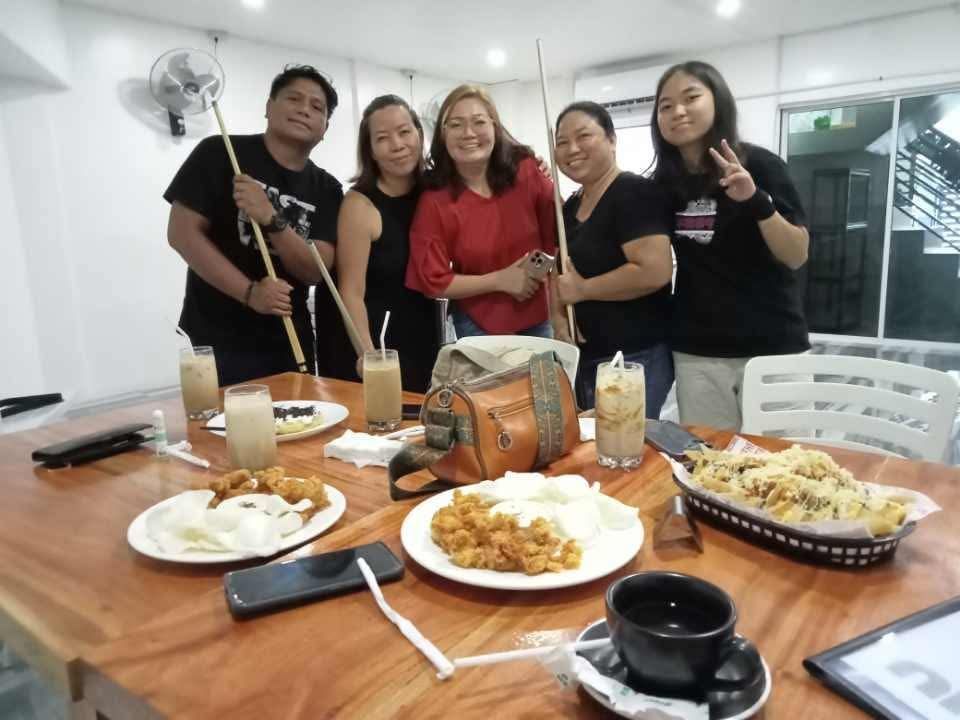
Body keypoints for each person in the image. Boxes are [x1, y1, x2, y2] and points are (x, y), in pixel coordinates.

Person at [652, 60, 810, 429]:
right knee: (710, 458)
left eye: (691, 97)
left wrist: (755, 200)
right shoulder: (663, 184)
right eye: (665, 105)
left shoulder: (761, 165)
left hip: (771, 346)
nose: (678, 111)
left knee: (785, 459)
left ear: (718, 101)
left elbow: (797, 254)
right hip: (698, 351)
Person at [165, 64, 346, 387]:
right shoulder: (220, 153)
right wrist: (249, 293)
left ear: (325, 128)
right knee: (224, 419)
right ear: (268, 107)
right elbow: (181, 233)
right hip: (217, 334)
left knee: (301, 416)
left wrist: (272, 219)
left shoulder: (327, 188)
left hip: (290, 339)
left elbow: (315, 270)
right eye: (294, 98)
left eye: (317, 107)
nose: (304, 110)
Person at [406, 84, 557, 338]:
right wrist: (501, 280)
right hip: (478, 324)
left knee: (542, 368)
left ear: (494, 127)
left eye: (478, 122)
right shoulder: (435, 201)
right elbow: (434, 281)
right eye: (455, 125)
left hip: (538, 315)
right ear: (442, 134)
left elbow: (560, 232)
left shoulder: (527, 172)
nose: (468, 133)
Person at [553, 101, 674, 414]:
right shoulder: (570, 206)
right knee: (593, 439)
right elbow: (561, 269)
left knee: (625, 440)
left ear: (611, 140)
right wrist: (559, 319)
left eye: (584, 136)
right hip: (587, 357)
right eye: (562, 142)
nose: (572, 149)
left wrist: (584, 290)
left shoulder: (635, 193)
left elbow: (653, 271)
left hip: (633, 356)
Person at [336, 95, 439, 393]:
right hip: (378, 345)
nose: (397, 144)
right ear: (370, 149)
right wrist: (368, 355)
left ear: (419, 134)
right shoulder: (360, 205)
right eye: (382, 138)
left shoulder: (436, 189)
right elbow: (351, 291)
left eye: (404, 132)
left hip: (427, 339)